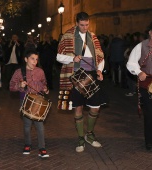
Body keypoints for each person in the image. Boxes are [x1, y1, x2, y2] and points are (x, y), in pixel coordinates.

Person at [56, 12, 108, 152]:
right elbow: (59, 56)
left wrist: (99, 70)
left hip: (91, 75)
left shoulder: (93, 36)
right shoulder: (67, 35)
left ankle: (89, 134)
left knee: (95, 107)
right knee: (78, 107)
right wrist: (72, 59)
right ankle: (80, 138)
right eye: (82, 25)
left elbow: (100, 56)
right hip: (76, 76)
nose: (85, 27)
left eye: (87, 24)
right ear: (76, 23)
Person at [10, 50, 49, 158]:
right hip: (25, 100)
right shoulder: (19, 72)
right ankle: (28, 144)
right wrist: (20, 85)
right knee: (27, 125)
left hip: (38, 100)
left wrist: (45, 89)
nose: (35, 61)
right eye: (32, 59)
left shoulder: (40, 71)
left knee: (39, 125)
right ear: (26, 59)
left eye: (36, 59)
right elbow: (11, 87)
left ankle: (42, 147)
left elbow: (43, 83)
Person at [126, 21, 152, 151]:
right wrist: (139, 72)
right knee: (150, 114)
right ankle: (150, 142)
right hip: (147, 85)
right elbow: (131, 63)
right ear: (149, 33)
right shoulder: (141, 46)